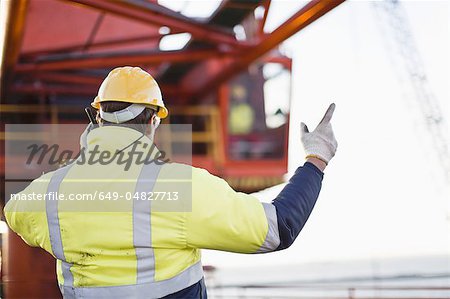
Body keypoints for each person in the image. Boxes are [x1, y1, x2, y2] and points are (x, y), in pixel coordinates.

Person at [4, 66, 338, 299]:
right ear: (152, 121)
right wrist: (316, 157)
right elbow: (280, 227)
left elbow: (12, 210)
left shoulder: (49, 193)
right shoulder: (181, 188)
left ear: (97, 117)